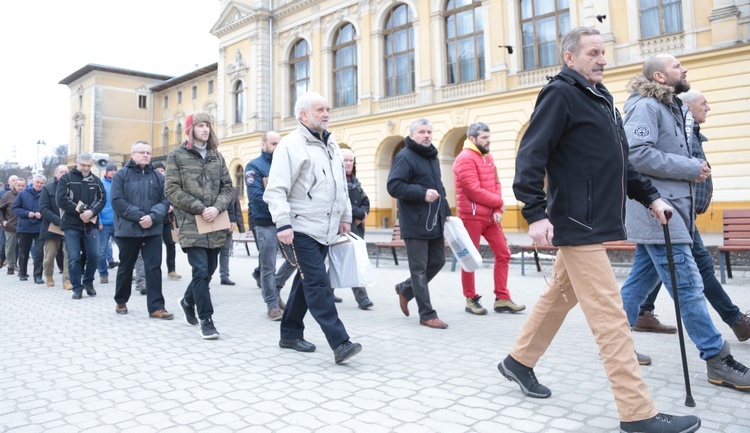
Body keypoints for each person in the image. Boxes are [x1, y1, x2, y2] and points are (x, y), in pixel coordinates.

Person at [497, 28, 700, 433]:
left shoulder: (601, 98)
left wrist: (651, 197)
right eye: (593, 53)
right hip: (576, 223)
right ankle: (637, 413)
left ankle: (517, 362)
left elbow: (620, 161)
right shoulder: (560, 94)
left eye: (603, 52)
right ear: (569, 58)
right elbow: (530, 156)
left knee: (559, 295)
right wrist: (536, 213)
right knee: (611, 320)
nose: (602, 59)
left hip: (595, 219)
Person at [619, 54, 750, 393]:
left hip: (675, 212)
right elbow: (636, 154)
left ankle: (615, 346)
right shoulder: (646, 106)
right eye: (678, 66)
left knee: (637, 284)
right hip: (659, 213)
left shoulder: (669, 105)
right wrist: (690, 167)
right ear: (660, 76)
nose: (685, 69)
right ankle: (716, 359)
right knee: (689, 286)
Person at [631, 89, 750, 340]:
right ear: (686, 106)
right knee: (696, 275)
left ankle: (634, 320)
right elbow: (643, 157)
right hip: (669, 210)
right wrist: (692, 169)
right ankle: (730, 328)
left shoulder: (688, 130)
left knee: (647, 272)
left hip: (679, 210)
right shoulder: (656, 115)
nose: (708, 108)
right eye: (703, 103)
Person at [264, 92, 362, 364]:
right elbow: (276, 190)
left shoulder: (331, 145)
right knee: (318, 283)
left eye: (327, 109)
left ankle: (290, 334)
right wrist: (282, 223)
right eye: (320, 109)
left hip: (327, 227)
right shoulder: (290, 146)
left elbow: (340, 184)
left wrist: (345, 215)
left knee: (304, 281)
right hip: (300, 227)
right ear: (303, 115)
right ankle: (340, 342)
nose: (327, 113)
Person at [166, 112, 233, 340]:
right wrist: (199, 207)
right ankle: (207, 320)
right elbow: (172, 190)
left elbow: (228, 187)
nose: (205, 129)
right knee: (201, 271)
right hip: (191, 223)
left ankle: (187, 301)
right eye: (201, 125)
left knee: (208, 272)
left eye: (208, 126)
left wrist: (217, 207)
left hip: (215, 222)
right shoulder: (176, 155)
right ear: (190, 129)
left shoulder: (217, 157)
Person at [453, 122, 524, 315]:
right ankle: (470, 299)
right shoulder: (465, 159)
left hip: (491, 217)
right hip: (472, 217)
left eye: (489, 137)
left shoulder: (488, 157)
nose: (488, 140)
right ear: (472, 139)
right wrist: (499, 202)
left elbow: (496, 183)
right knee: (470, 259)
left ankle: (502, 298)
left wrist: (496, 208)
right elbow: (473, 191)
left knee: (503, 253)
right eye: (484, 138)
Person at [387, 119, 452, 329]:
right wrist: (422, 194)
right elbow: (394, 186)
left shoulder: (432, 156)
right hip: (415, 222)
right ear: (412, 134)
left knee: (438, 261)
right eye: (422, 132)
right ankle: (427, 314)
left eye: (429, 132)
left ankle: (405, 290)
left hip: (434, 221)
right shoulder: (404, 156)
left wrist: (446, 210)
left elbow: (439, 186)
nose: (426, 135)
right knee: (419, 269)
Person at [111, 141, 173, 319]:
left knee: (153, 268)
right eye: (141, 152)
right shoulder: (121, 175)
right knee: (126, 266)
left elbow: (166, 200)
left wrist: (152, 217)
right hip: (129, 230)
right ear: (132, 154)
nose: (146, 155)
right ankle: (121, 300)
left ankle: (156, 307)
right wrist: (139, 217)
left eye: (148, 152)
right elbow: (117, 201)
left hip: (153, 230)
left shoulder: (158, 176)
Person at [246, 130, 297, 321]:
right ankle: (272, 304)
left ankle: (275, 287)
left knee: (294, 259)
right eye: (273, 143)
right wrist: (281, 205)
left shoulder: (286, 165)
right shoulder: (254, 166)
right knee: (268, 265)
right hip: (265, 222)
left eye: (279, 143)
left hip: (286, 221)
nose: (277, 147)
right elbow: (257, 197)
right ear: (263, 145)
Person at [56, 152, 106, 300]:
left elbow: (102, 199)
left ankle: (88, 283)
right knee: (73, 257)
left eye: (89, 165)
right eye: (83, 165)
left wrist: (91, 212)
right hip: (71, 224)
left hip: (90, 225)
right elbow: (61, 199)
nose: (86, 168)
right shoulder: (66, 179)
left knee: (94, 255)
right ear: (77, 163)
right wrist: (82, 210)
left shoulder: (96, 181)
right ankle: (77, 287)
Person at [333, 148, 373, 310]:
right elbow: (343, 203)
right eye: (345, 160)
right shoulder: (337, 180)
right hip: (340, 227)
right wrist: (357, 213)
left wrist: (362, 213)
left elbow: (366, 201)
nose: (349, 163)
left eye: (351, 160)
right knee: (351, 261)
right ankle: (362, 298)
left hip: (354, 228)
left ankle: (327, 291)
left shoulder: (354, 181)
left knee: (341, 261)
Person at [40, 165, 71, 289]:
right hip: (52, 226)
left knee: (68, 253)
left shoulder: (72, 188)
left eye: (66, 172)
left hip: (69, 226)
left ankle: (67, 280)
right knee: (50, 254)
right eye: (61, 171)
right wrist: (59, 221)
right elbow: (44, 208)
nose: (64, 173)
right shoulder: (47, 189)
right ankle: (48, 275)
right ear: (55, 173)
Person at [13, 174, 46, 283]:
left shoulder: (45, 194)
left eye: (41, 183)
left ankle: (38, 276)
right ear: (33, 182)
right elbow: (15, 208)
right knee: (24, 251)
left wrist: (41, 214)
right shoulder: (23, 194)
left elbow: (48, 208)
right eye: (38, 182)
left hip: (39, 227)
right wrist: (28, 213)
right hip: (25, 227)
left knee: (39, 252)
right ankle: (22, 273)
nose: (39, 185)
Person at [152, 161, 181, 280]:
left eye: (162, 170)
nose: (160, 173)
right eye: (157, 171)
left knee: (171, 244)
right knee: (155, 247)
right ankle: (155, 270)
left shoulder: (169, 185)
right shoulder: (152, 184)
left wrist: (172, 207)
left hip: (168, 221)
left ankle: (171, 270)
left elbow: (177, 202)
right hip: (155, 221)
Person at [97, 163, 119, 284]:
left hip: (118, 223)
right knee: (101, 251)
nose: (114, 172)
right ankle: (103, 274)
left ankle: (126, 273)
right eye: (111, 170)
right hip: (104, 224)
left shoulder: (120, 183)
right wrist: (99, 221)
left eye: (115, 170)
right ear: (107, 171)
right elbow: (97, 204)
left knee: (126, 250)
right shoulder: (101, 184)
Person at [219, 187, 244, 285]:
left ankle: (224, 276)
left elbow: (236, 208)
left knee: (225, 251)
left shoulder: (233, 190)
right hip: (214, 223)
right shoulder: (214, 187)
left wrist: (241, 227)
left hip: (228, 225)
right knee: (212, 252)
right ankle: (206, 276)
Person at [0, 177, 25, 275]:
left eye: (23, 186)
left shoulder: (27, 195)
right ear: (14, 185)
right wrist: (3, 221)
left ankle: (19, 265)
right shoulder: (7, 196)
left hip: (24, 226)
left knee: (21, 246)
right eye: (19, 185)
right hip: (11, 225)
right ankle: (10, 265)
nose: (21, 187)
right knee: (10, 246)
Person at [0, 174, 18, 270]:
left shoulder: (23, 194)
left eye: (17, 180)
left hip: (21, 225)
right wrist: (2, 221)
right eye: (13, 180)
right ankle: (5, 261)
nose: (15, 182)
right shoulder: (4, 194)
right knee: (6, 244)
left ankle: (14, 263)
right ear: (9, 182)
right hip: (8, 224)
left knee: (18, 245)